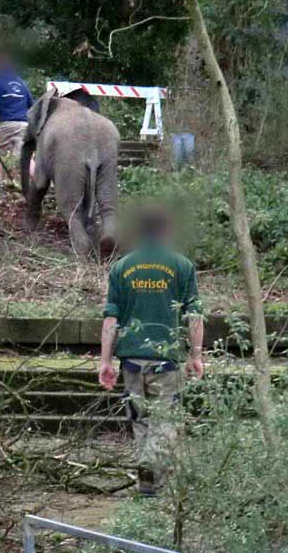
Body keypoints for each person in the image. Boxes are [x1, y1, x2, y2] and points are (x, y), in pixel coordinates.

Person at [98, 207, 204, 497]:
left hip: (131, 362)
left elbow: (110, 319)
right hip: (166, 363)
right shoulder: (182, 266)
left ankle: (148, 484)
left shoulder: (121, 267)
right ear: (166, 231)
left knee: (140, 420)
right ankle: (150, 466)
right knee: (164, 421)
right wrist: (196, 355)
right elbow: (194, 316)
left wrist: (105, 361)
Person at [0, 55, 33, 185]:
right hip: (24, 125)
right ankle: (39, 185)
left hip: (5, 124)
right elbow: (31, 104)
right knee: (26, 158)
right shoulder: (21, 83)